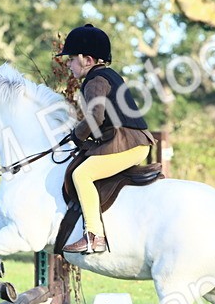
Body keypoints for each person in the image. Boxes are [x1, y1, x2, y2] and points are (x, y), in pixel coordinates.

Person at [57, 24, 154, 254]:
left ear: (87, 60)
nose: (68, 64)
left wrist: (75, 136)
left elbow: (95, 117)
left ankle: (94, 236)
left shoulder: (95, 81)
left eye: (71, 59)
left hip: (126, 143)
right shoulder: (108, 75)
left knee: (81, 174)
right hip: (129, 140)